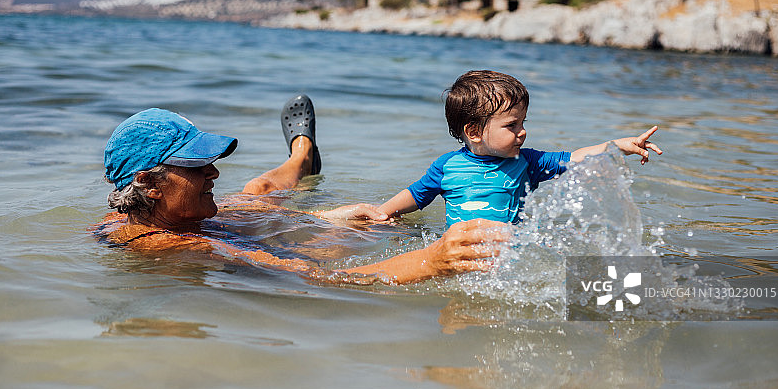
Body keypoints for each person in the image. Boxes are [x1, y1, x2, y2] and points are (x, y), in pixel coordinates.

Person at [94, 95, 508, 285]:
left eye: (211, 161)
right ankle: (302, 154)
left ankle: (301, 155)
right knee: (328, 246)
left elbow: (254, 214)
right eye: (197, 166)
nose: (214, 173)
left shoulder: (166, 211)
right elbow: (316, 277)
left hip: (203, 221)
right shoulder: (162, 243)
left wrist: (330, 214)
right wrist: (432, 260)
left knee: (258, 188)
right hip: (204, 238)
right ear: (146, 183)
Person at [375, 70, 663, 227]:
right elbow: (416, 195)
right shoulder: (447, 167)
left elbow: (575, 158)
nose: (522, 131)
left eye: (523, 122)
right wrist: (381, 213)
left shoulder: (529, 162)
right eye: (511, 125)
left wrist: (618, 146)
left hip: (507, 253)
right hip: (458, 250)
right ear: (474, 132)